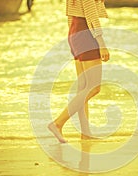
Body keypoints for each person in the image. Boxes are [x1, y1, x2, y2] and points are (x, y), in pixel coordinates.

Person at [48, 0, 109, 143]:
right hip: (85, 32)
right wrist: (102, 44)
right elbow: (91, 15)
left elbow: (70, 14)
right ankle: (58, 123)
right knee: (94, 87)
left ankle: (85, 133)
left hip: (75, 32)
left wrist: (73, 38)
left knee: (83, 87)